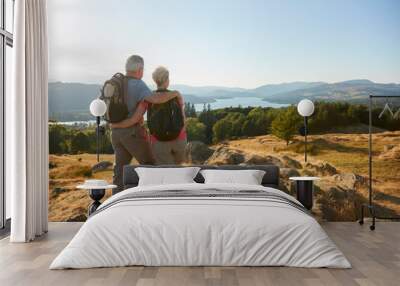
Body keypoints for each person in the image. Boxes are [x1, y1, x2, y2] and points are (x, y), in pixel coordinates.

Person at [111, 55, 180, 193]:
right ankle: (152, 198)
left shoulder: (116, 82)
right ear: (139, 69)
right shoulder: (137, 84)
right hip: (132, 133)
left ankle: (114, 202)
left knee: (119, 170)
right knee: (150, 164)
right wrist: (174, 93)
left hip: (115, 134)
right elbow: (155, 99)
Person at [112, 66, 187, 165]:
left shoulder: (148, 98)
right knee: (179, 169)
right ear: (167, 80)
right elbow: (183, 118)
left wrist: (116, 125)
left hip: (159, 142)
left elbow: (134, 120)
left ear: (155, 81)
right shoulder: (176, 96)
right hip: (179, 139)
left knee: (166, 172)